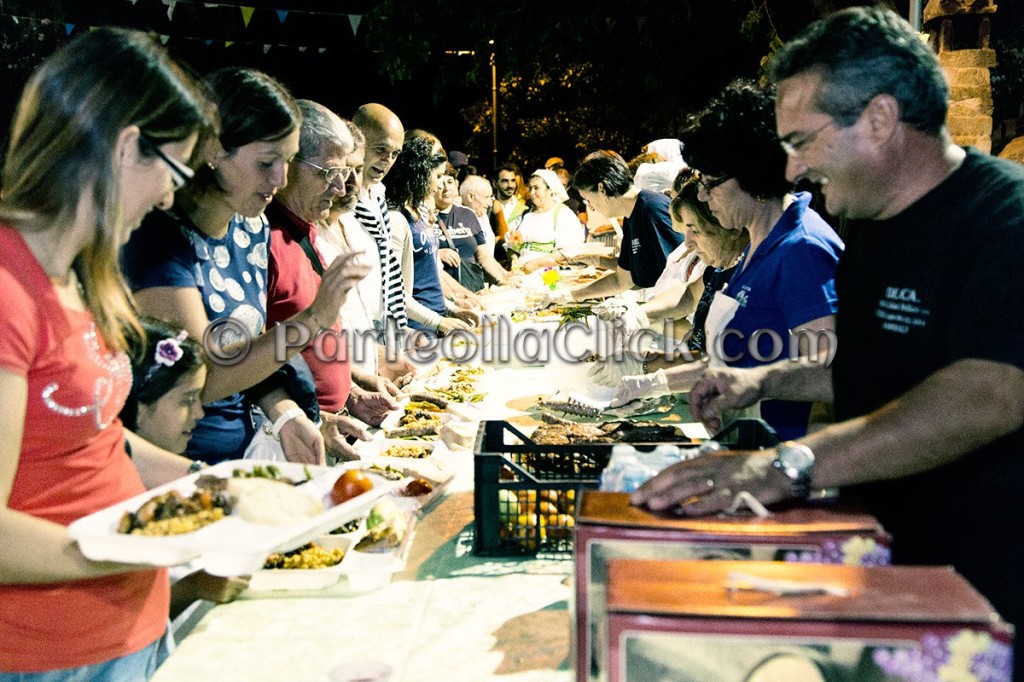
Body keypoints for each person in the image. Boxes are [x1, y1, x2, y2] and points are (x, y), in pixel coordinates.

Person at [631, 7, 1024, 676]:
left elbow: (989, 392)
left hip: (983, 600)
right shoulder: (870, 226)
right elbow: (866, 367)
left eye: (802, 141)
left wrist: (791, 463)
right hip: (888, 566)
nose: (789, 170)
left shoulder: (1001, 219)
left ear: (878, 119)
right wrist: (764, 380)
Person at [0, 27, 212, 679]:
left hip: (129, 631)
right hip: (53, 654)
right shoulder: (8, 290)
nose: (173, 197)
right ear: (126, 148)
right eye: (174, 171)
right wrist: (142, 543)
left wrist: (214, 492)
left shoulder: (79, 271)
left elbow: (95, 438)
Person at [123, 68, 369, 465]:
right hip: (177, 467)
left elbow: (248, 352)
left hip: (247, 451)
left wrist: (285, 413)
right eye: (268, 162)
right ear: (216, 150)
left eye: (288, 162)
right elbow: (204, 375)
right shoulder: (157, 238)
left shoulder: (251, 227)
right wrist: (315, 317)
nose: (281, 179)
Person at [646, 80, 842, 440]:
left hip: (777, 456)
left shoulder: (802, 250)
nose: (703, 197)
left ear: (752, 172)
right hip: (741, 442)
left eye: (710, 182)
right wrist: (650, 384)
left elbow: (833, 378)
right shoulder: (756, 241)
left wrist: (791, 466)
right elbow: (734, 359)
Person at [264, 100, 395, 457]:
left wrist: (350, 390)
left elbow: (314, 342)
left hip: (327, 425)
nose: (341, 187)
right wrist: (305, 418)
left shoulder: (304, 232)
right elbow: (247, 363)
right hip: (291, 441)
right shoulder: (265, 240)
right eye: (328, 172)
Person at [119, 318, 249, 633]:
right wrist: (193, 589)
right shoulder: (125, 496)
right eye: (187, 400)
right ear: (139, 407)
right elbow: (126, 609)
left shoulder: (184, 474)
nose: (199, 414)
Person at [386, 134, 477, 336]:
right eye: (437, 177)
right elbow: (394, 291)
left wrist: (452, 309)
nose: (439, 186)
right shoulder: (396, 219)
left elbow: (429, 280)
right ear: (419, 174)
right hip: (417, 330)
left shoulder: (419, 216)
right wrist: (438, 322)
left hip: (436, 324)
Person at [570, 150, 685, 298]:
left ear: (602, 189)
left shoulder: (653, 209)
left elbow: (680, 275)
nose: (591, 207)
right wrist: (569, 295)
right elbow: (621, 280)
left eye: (588, 199)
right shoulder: (630, 216)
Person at [351, 103, 410, 340]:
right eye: (381, 149)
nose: (387, 160)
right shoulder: (338, 201)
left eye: (395, 154)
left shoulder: (378, 195)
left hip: (385, 324)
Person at [435, 166, 513, 290]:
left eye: (450, 182)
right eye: (441, 183)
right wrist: (436, 254)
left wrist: (502, 280)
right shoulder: (426, 217)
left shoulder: (468, 214)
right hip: (445, 291)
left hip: (474, 288)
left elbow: (484, 256)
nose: (446, 188)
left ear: (456, 184)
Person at [504, 169, 586, 271]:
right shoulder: (526, 214)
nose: (532, 193)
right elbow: (512, 246)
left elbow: (567, 252)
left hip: (548, 272)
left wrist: (536, 264)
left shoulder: (563, 214)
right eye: (530, 188)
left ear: (550, 190)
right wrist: (514, 260)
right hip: (521, 271)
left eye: (536, 188)